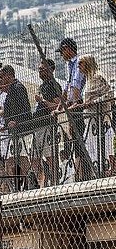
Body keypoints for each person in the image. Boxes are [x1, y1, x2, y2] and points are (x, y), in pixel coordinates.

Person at [54, 37, 92, 180]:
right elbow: (66, 88)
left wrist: (72, 106)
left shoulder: (78, 63)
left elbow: (76, 86)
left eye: (62, 51)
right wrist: (59, 108)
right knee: (75, 138)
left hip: (79, 105)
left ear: (68, 49)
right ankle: (79, 173)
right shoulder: (70, 65)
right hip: (72, 106)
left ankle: (83, 174)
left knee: (80, 137)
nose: (61, 55)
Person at [76, 54, 114, 175]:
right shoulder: (88, 79)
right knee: (91, 145)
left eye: (80, 64)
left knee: (105, 144)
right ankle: (100, 169)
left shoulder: (98, 77)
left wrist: (92, 103)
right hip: (91, 119)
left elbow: (110, 95)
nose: (78, 67)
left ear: (87, 63)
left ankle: (109, 170)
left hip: (100, 118)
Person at [0, 65, 32, 190]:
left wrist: (16, 121)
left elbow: (25, 109)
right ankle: (20, 186)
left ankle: (29, 182)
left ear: (9, 75)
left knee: (22, 159)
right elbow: (10, 111)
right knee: (14, 160)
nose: (1, 79)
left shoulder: (18, 88)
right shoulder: (11, 89)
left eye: (2, 76)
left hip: (22, 130)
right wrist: (7, 125)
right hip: (14, 131)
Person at [31, 59, 63, 187]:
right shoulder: (42, 85)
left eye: (43, 69)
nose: (40, 72)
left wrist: (42, 100)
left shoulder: (53, 85)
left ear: (51, 70)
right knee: (34, 158)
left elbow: (57, 106)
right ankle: (42, 182)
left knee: (50, 156)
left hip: (48, 125)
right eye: (39, 70)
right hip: (38, 126)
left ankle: (56, 182)